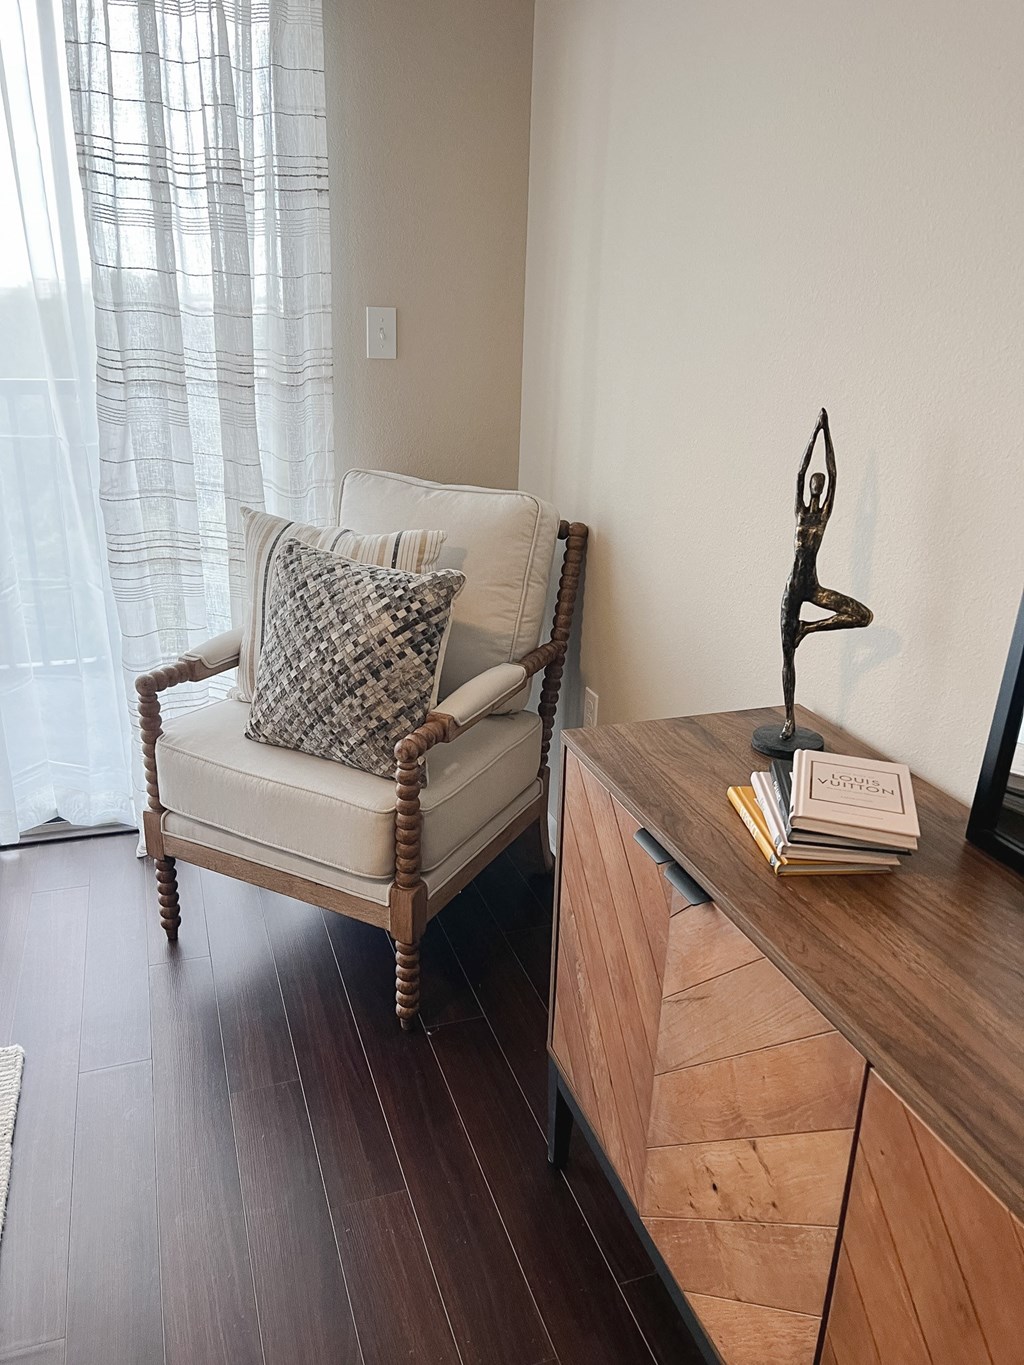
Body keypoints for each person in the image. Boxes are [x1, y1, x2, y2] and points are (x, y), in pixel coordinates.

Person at [780, 409, 872, 741]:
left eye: (819, 486)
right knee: (787, 654)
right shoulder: (801, 511)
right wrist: (815, 434)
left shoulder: (823, 515)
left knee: (862, 615)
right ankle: (789, 719)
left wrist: (828, 432)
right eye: (814, 486)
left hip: (813, 586)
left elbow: (833, 472)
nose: (817, 487)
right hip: (794, 586)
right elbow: (802, 470)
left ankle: (809, 628)